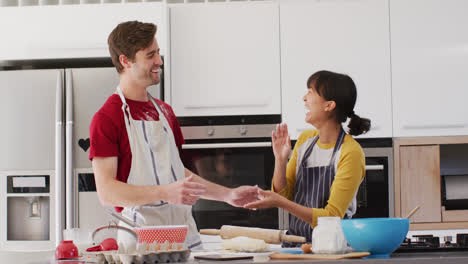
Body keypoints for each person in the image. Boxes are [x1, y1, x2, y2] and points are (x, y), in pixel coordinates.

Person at [89, 21, 259, 249]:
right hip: (142, 244)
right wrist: (164, 193)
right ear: (125, 61)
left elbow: (177, 173)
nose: (159, 61)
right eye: (150, 55)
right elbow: (107, 192)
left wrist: (227, 195)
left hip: (185, 238)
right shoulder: (108, 118)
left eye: (158, 53)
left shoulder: (164, 112)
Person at [245, 70, 371, 246]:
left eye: (310, 92)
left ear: (329, 105)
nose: (304, 98)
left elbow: (332, 217)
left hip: (332, 249)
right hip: (296, 245)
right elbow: (284, 194)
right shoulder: (306, 141)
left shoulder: (350, 152)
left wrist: (280, 202)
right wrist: (280, 160)